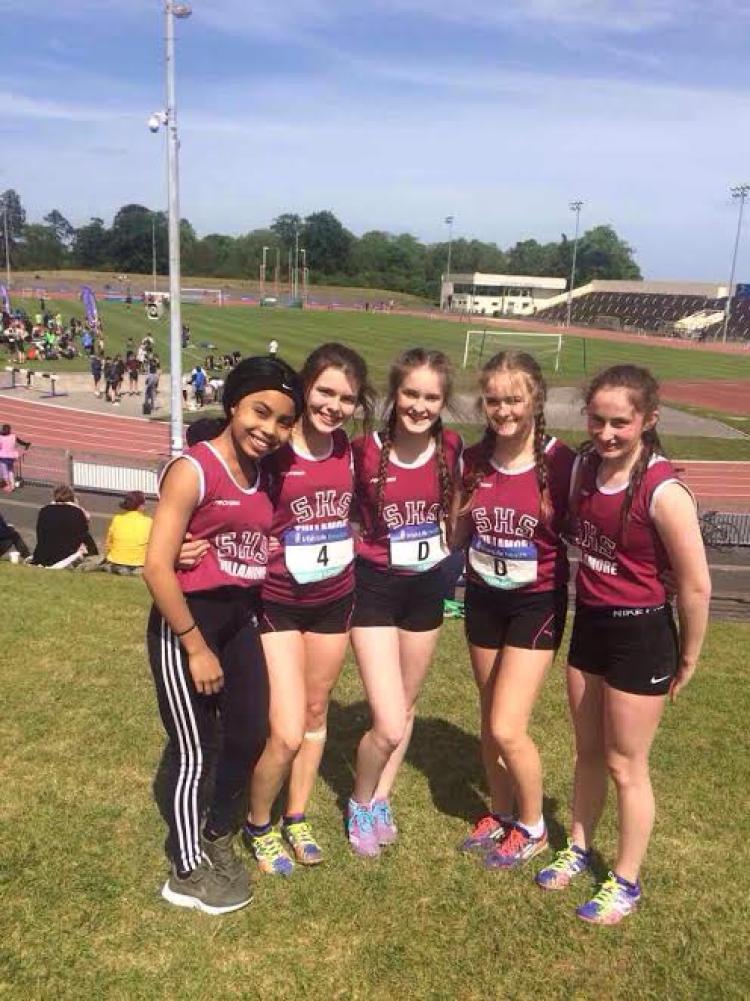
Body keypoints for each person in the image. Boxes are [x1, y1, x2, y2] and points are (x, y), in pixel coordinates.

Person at [535, 365, 711, 924]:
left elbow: (696, 585)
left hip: (642, 635)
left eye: (620, 422)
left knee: (624, 763)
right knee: (587, 751)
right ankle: (578, 847)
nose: (606, 432)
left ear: (648, 420)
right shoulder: (584, 467)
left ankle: (626, 880)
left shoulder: (664, 491)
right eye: (597, 419)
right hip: (592, 624)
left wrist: (688, 656)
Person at [143, 356, 303, 916]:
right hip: (188, 622)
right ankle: (185, 871)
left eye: (284, 420)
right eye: (261, 410)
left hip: (240, 619)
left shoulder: (266, 473)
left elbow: (250, 538)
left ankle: (215, 833)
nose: (269, 428)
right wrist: (194, 645)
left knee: (249, 734)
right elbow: (157, 567)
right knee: (196, 750)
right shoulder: (195, 469)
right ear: (234, 404)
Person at [244, 344, 374, 874]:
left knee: (317, 713)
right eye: (325, 392)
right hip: (277, 602)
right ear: (305, 386)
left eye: (347, 398)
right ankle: (258, 824)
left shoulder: (352, 450)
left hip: (333, 600)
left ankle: (295, 817)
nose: (335, 405)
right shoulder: (273, 448)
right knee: (286, 730)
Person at [451, 352, 575, 868]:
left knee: (507, 725)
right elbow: (457, 533)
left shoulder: (562, 462)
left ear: (536, 399)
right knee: (487, 716)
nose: (503, 410)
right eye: (494, 399)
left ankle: (534, 825)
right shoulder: (474, 459)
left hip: (535, 602)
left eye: (514, 399)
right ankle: (501, 812)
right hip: (483, 597)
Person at [347, 348, 462, 856]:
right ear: (395, 393)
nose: (419, 405)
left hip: (426, 588)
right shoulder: (362, 450)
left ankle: (381, 800)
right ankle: (358, 799)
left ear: (443, 401)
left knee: (408, 706)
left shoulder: (454, 448)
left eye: (431, 396)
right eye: (411, 393)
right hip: (373, 585)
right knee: (388, 719)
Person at [31, 485, 97, 568]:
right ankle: (95, 556)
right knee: (86, 539)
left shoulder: (44, 510)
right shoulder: (76, 512)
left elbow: (40, 533)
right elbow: (83, 535)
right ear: (72, 497)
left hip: (42, 556)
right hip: (64, 557)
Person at [97, 491, 153, 574]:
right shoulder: (149, 522)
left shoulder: (117, 519)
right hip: (139, 562)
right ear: (140, 506)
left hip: (116, 560)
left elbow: (109, 543)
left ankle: (119, 568)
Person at [0, 424, 30, 492]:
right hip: (11, 457)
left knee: (5, 471)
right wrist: (27, 444)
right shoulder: (13, 436)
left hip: (3, 456)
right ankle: (13, 485)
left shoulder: (1, 437)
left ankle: (8, 486)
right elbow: (21, 442)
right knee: (10, 470)